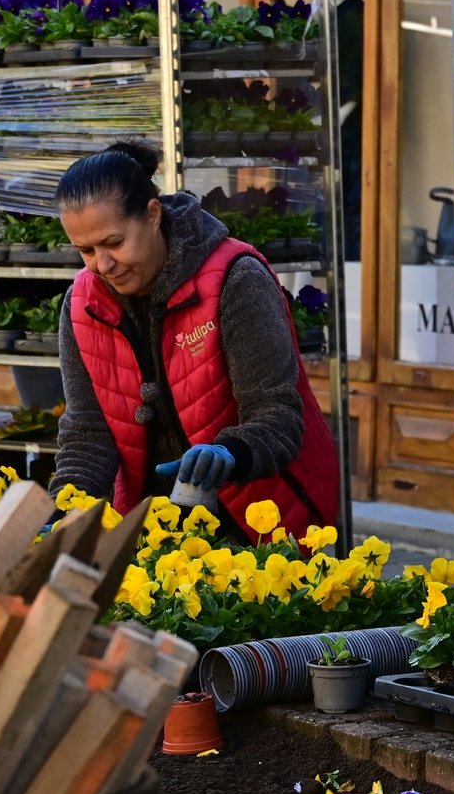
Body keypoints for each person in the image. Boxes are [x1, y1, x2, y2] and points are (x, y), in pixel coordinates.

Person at [49, 142, 339, 542]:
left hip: (262, 525)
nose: (103, 264)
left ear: (152, 215)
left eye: (114, 243)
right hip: (151, 527)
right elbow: (87, 433)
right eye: (86, 250)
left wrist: (230, 454)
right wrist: (68, 510)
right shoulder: (83, 304)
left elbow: (278, 418)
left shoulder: (235, 280)